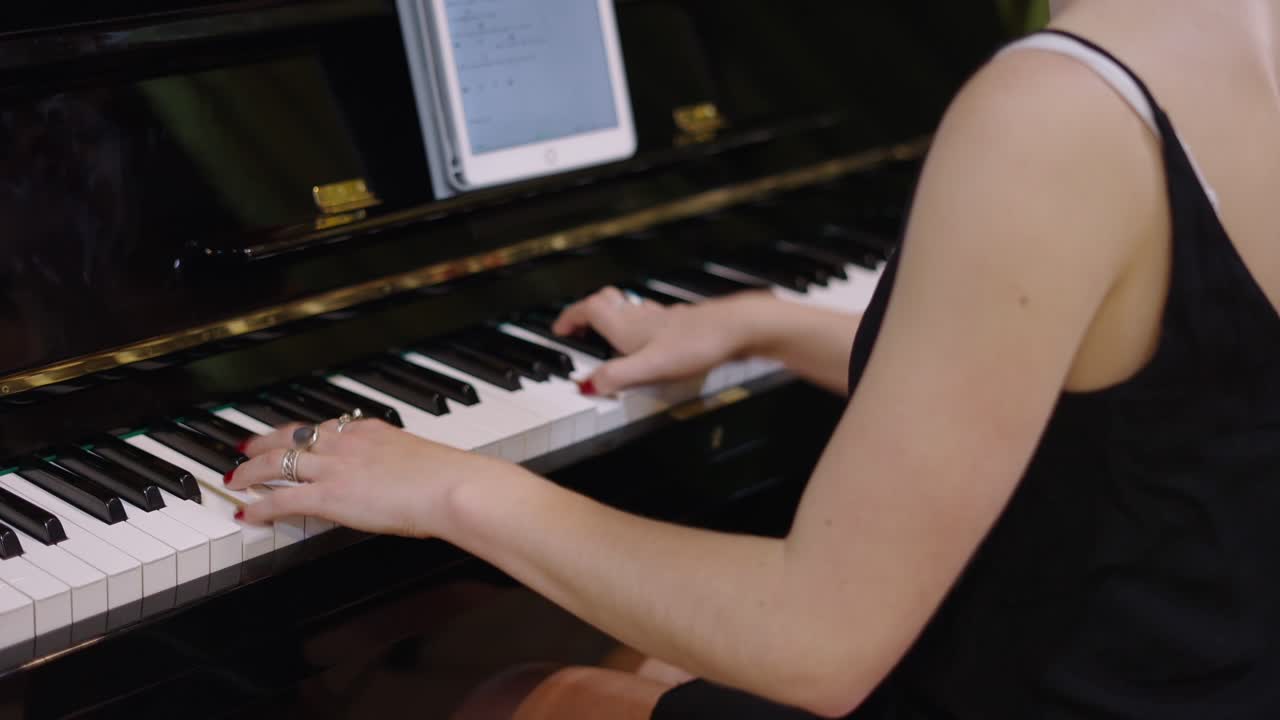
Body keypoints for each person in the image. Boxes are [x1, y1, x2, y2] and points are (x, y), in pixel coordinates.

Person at [225, 0, 1280, 716]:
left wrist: (455, 487)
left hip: (1047, 685)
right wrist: (770, 322)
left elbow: (817, 645)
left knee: (520, 693)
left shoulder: (1055, 110)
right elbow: (1150, 401)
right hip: (1206, 667)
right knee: (636, 650)